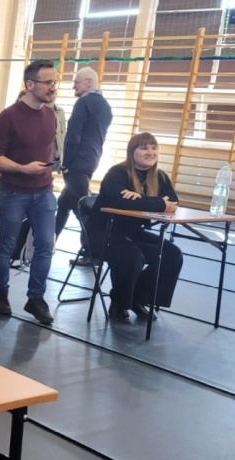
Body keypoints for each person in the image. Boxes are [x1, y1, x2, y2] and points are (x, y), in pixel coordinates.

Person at [0, 59, 59, 325]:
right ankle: (0, 294)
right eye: (48, 82)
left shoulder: (51, 116)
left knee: (46, 245)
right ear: (30, 84)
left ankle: (35, 298)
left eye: (55, 82)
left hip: (44, 191)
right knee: (7, 243)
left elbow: (46, 149)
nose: (53, 87)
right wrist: (22, 169)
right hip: (14, 191)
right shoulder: (9, 117)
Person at [86, 132, 182, 323]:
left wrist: (141, 199)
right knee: (132, 257)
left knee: (172, 255)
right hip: (103, 234)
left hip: (132, 233)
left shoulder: (160, 176)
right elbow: (120, 201)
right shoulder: (117, 173)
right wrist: (157, 203)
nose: (150, 152)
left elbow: (173, 202)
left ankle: (139, 298)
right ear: (132, 152)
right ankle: (119, 303)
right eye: (144, 148)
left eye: (154, 148)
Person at [57, 67, 114, 266]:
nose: (74, 87)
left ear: (89, 82)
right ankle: (45, 243)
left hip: (78, 161)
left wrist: (66, 163)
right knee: (64, 202)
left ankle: (94, 252)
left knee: (82, 209)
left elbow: (74, 134)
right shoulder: (105, 105)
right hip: (92, 159)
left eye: (76, 83)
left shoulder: (84, 103)